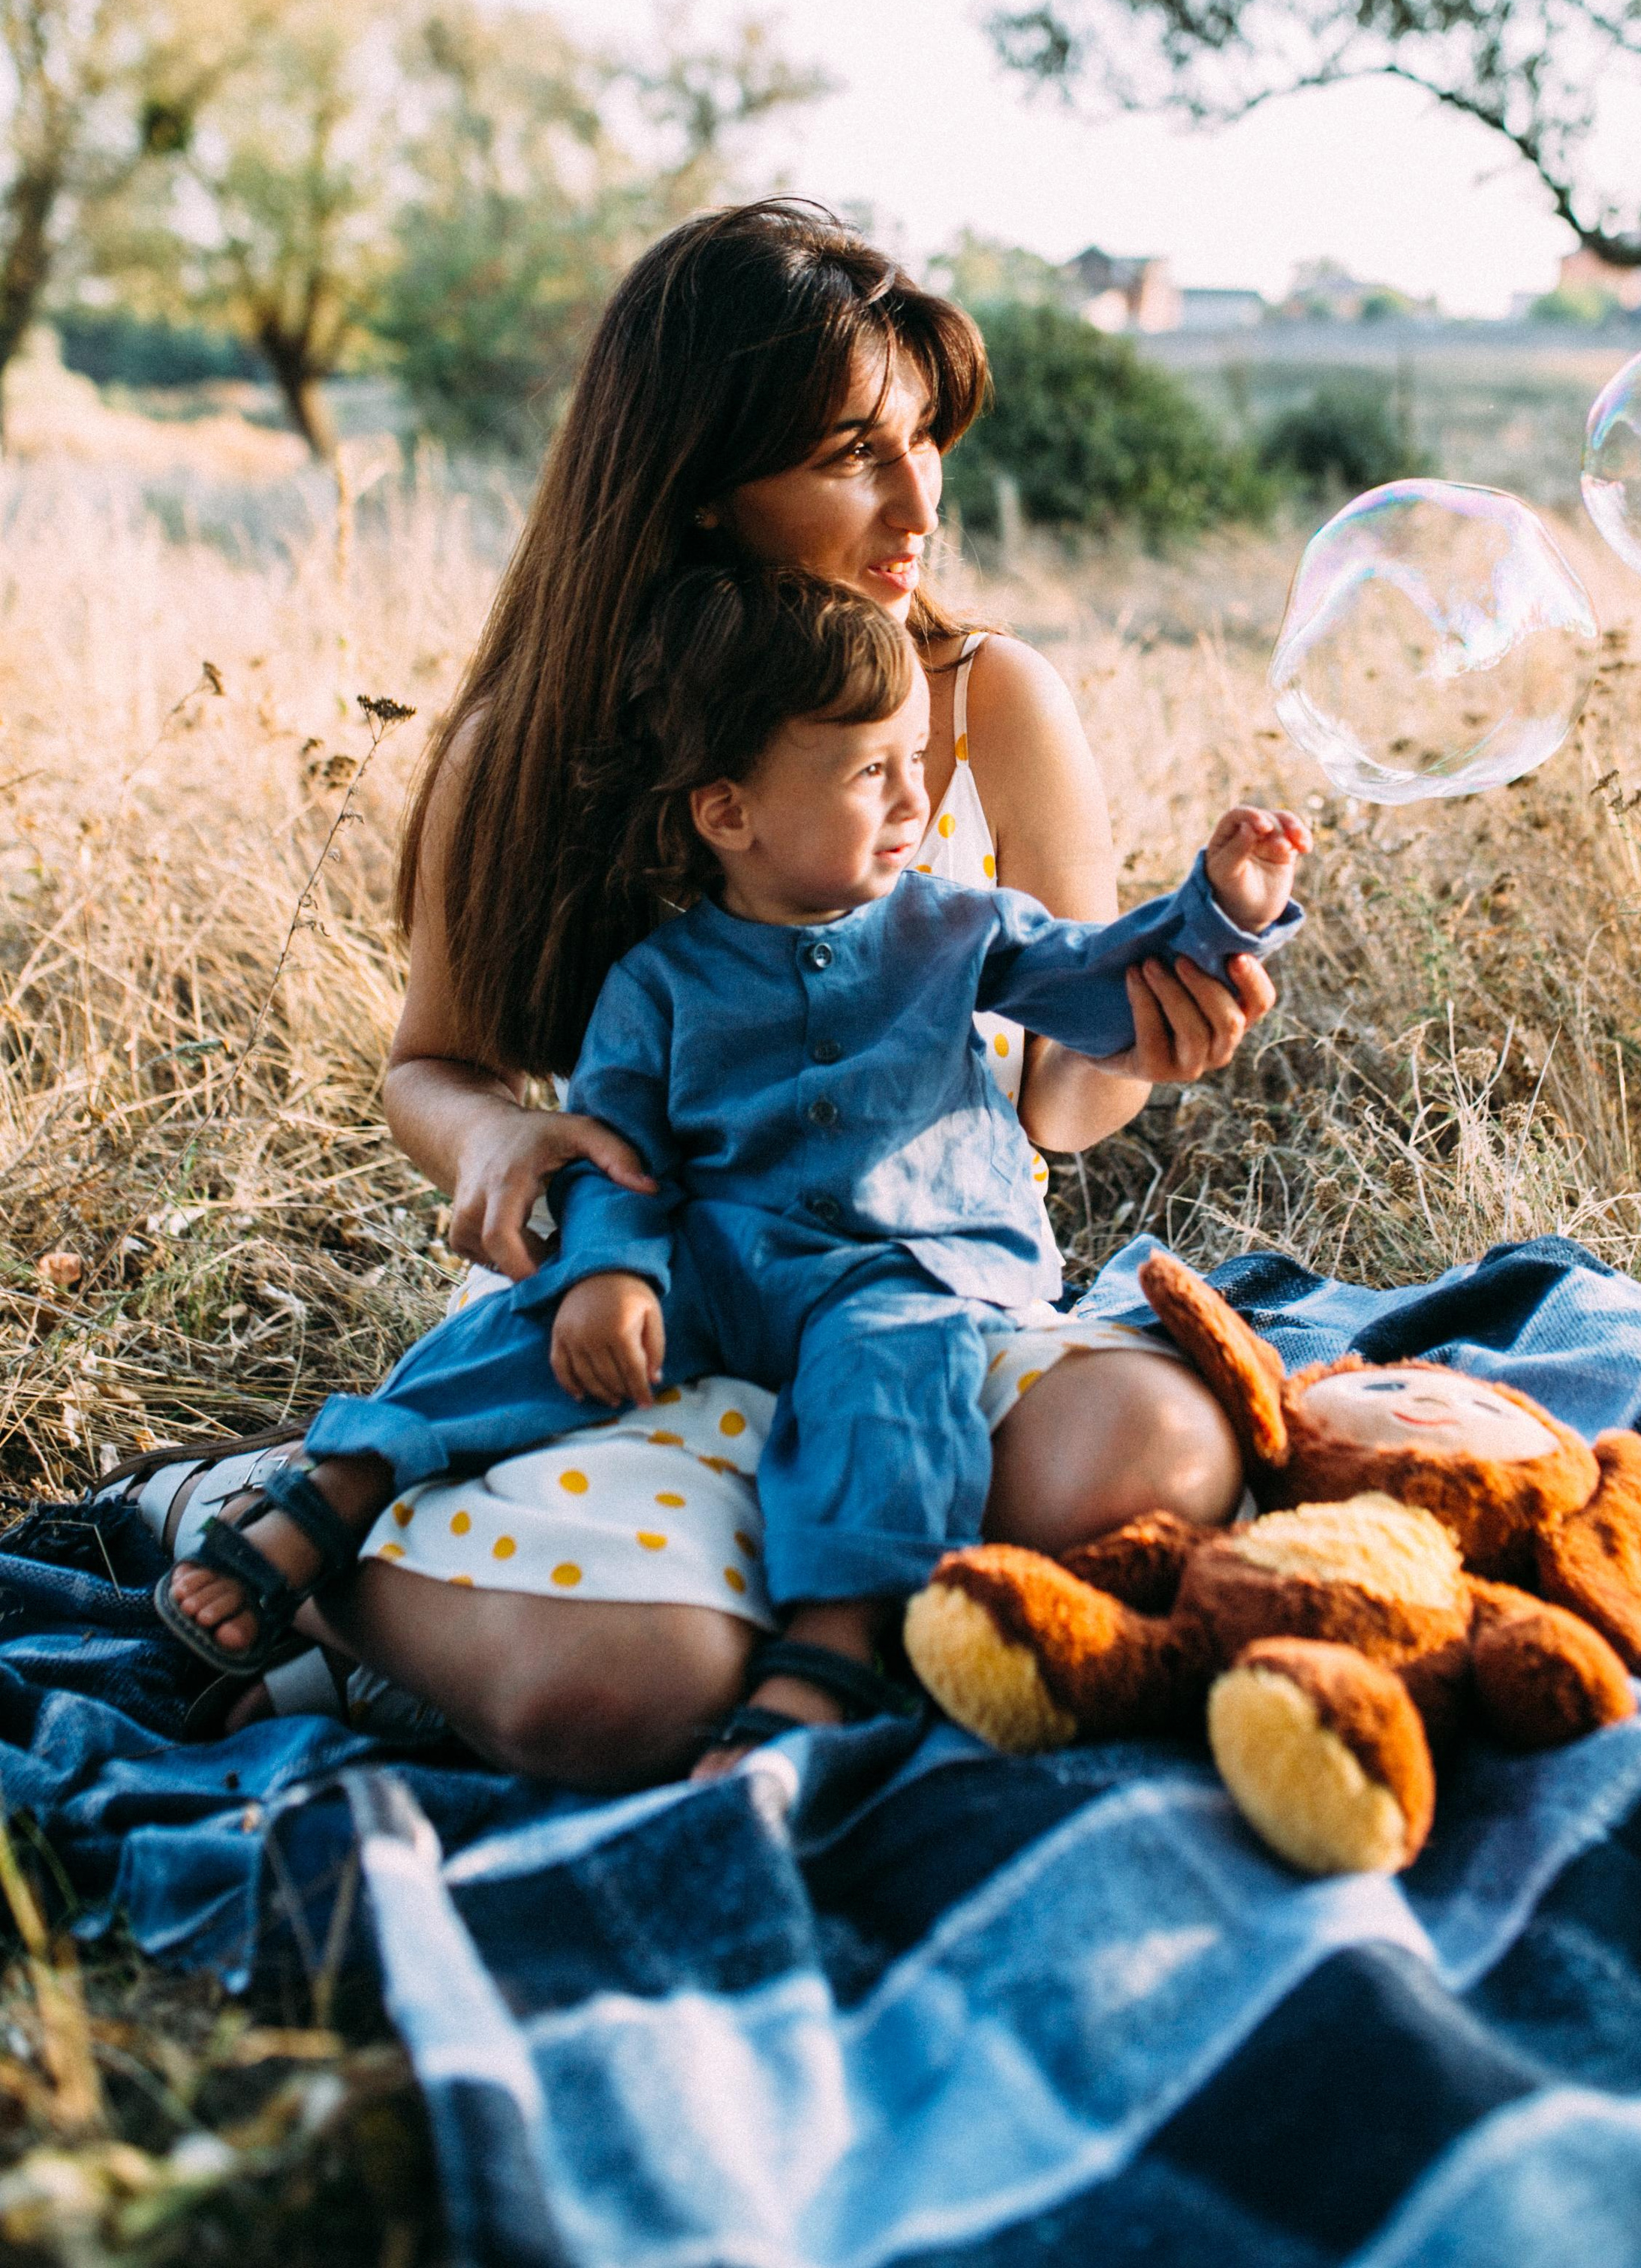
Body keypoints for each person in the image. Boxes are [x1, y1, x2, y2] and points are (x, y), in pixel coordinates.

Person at [155, 202, 1281, 1784]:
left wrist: (1145, 1045)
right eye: (848, 457)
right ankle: (282, 1528)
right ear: (696, 497)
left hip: (916, 1303)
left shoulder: (985, 702)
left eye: (922, 443)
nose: (915, 506)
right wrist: (493, 1147)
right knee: (621, 1693)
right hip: (650, 1296)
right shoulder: (533, 748)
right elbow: (440, 1064)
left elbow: (1063, 1100)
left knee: (1154, 1454)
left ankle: (790, 1600)